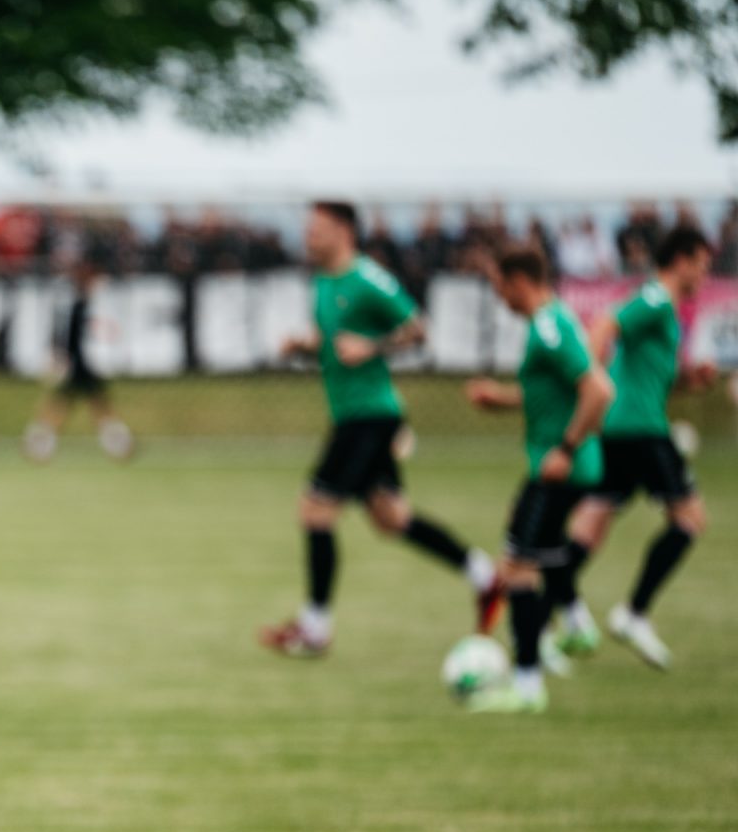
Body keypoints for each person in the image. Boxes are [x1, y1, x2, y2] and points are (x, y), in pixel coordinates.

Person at [261, 201, 500, 657]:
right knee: (392, 519)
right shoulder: (324, 282)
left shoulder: (369, 280)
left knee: (315, 511)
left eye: (318, 228)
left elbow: (418, 329)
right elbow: (332, 342)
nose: (309, 236)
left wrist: (372, 347)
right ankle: (486, 577)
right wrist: (304, 346)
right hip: (352, 414)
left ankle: (315, 627)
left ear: (344, 232)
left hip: (370, 415)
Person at [548, 225, 716, 670]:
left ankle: (538, 617)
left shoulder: (666, 308)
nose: (705, 274)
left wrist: (689, 380)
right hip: (641, 430)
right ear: (680, 260)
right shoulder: (656, 298)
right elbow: (605, 324)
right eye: (702, 264)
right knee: (690, 519)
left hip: (621, 428)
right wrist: (588, 378)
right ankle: (634, 613)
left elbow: (650, 377)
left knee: (588, 529)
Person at [461, 244, 615, 713]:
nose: (500, 297)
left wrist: (565, 449)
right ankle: (574, 623)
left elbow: (598, 390)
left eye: (500, 287)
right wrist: (502, 399)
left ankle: (528, 685)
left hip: (559, 470)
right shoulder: (549, 324)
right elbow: (553, 392)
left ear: (520, 282)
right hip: (561, 468)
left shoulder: (549, 327)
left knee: (518, 568)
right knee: (537, 557)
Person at [22, 256, 133, 463]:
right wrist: (61, 358)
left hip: (82, 365)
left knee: (74, 405)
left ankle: (40, 444)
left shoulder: (82, 304)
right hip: (80, 366)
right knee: (89, 406)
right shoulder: (80, 306)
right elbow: (71, 339)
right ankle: (118, 445)